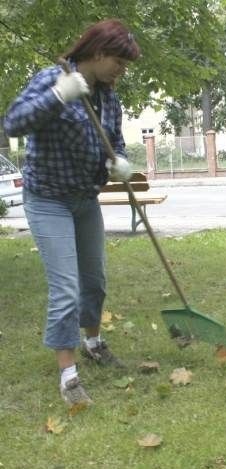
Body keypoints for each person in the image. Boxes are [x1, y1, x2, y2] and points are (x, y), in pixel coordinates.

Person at [4, 19, 141, 407]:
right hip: (48, 198)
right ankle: (68, 375)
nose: (122, 69)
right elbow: (14, 122)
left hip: (84, 199)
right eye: (119, 61)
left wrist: (120, 162)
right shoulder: (53, 78)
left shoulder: (107, 94)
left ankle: (94, 341)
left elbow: (113, 138)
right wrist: (58, 97)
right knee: (65, 288)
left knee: (94, 280)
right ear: (98, 53)